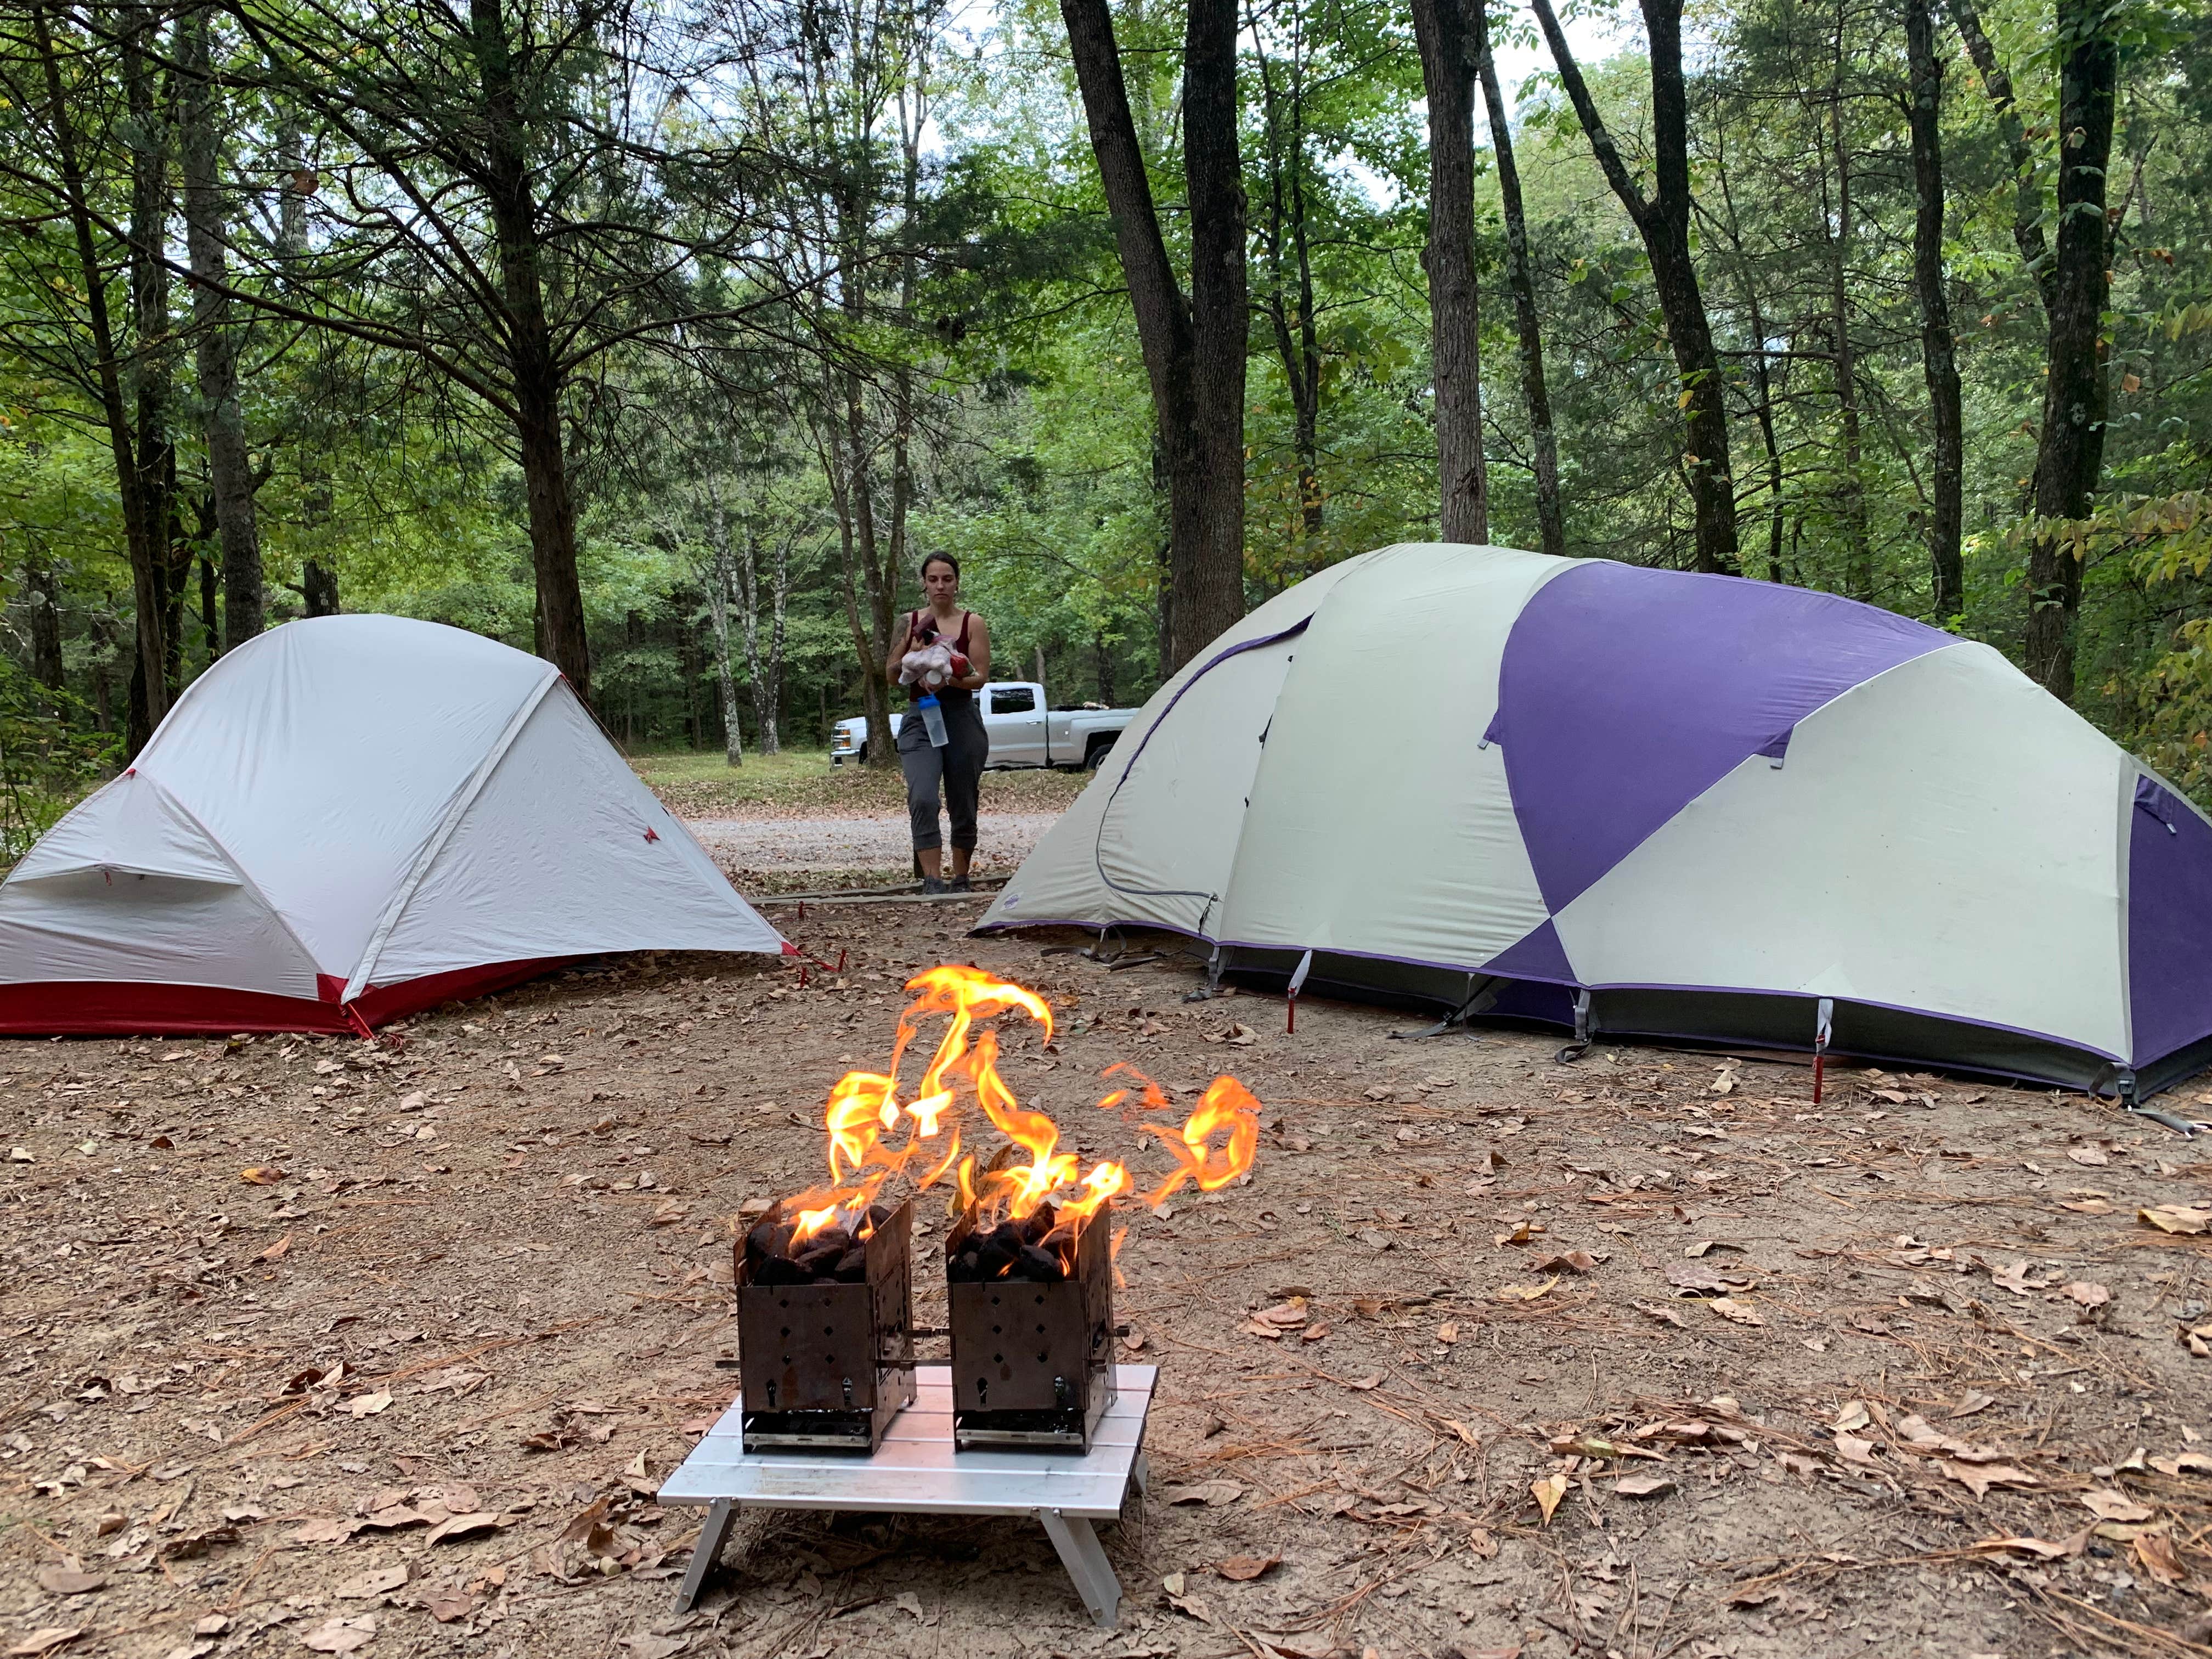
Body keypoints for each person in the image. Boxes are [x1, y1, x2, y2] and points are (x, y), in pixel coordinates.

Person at [887, 552, 991, 894]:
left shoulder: (972, 623)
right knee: (923, 797)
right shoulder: (909, 621)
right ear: (924, 584)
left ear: (957, 583)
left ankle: (960, 878)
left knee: (964, 798)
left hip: (961, 716)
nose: (940, 585)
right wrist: (910, 654)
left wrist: (951, 680)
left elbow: (981, 678)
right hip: (921, 716)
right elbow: (890, 675)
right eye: (933, 579)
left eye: (947, 578)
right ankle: (932, 880)